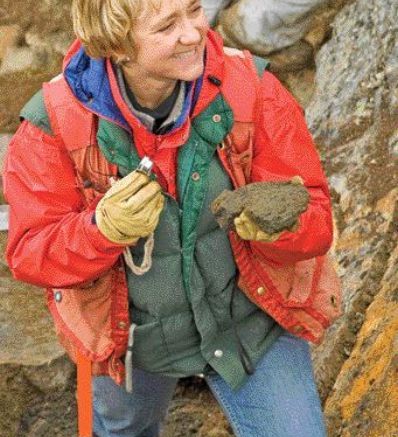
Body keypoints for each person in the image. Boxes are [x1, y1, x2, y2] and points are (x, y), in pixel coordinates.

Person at [3, 0, 341, 436]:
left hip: (250, 321)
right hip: (126, 338)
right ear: (117, 47)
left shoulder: (249, 88)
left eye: (195, 10)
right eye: (166, 26)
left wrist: (280, 228)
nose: (193, 33)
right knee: (123, 428)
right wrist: (99, 231)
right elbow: (30, 254)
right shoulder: (55, 125)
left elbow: (315, 215)